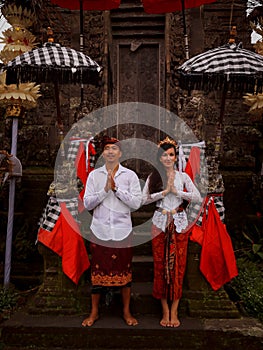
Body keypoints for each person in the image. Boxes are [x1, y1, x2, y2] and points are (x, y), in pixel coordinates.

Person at [82, 136, 142, 327]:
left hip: (122, 230)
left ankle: (126, 311)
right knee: (97, 272)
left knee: (124, 272)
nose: (110, 151)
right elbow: (87, 203)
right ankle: (94, 312)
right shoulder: (94, 175)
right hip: (100, 230)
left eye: (114, 148)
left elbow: (136, 203)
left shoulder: (130, 176)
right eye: (107, 148)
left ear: (120, 153)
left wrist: (116, 190)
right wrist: (105, 189)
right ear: (103, 153)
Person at [142, 136, 202, 328]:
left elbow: (197, 197)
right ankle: (164, 310)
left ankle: (174, 309)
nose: (168, 158)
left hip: (178, 222)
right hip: (160, 222)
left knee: (178, 265)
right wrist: (163, 193)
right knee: (160, 265)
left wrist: (178, 193)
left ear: (176, 157)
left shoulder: (183, 177)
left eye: (171, 155)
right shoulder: (153, 177)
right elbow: (143, 200)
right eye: (164, 155)